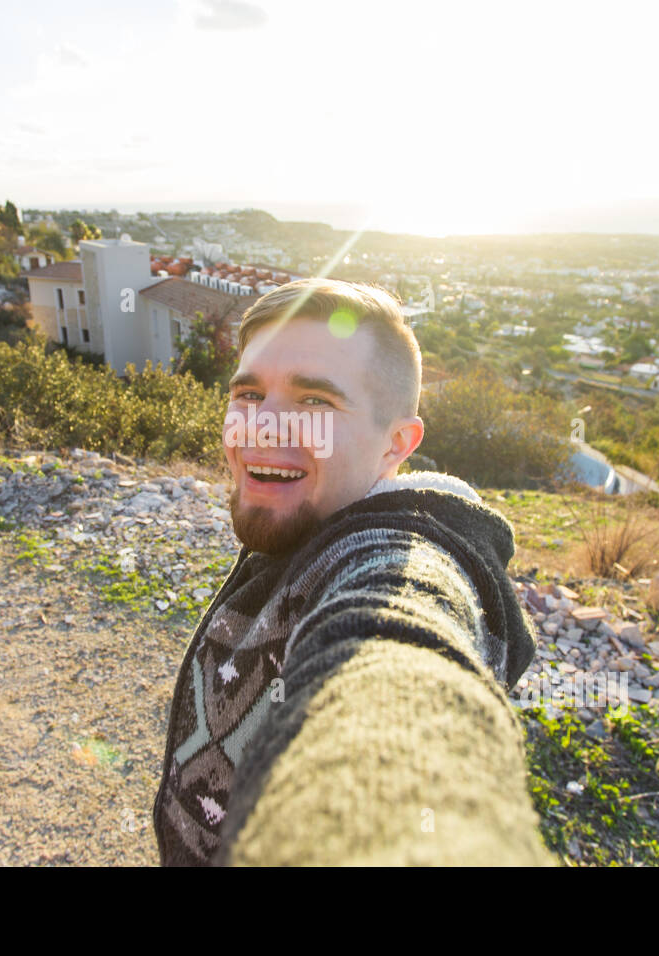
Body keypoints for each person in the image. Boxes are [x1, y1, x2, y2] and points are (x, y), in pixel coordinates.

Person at [152, 277, 558, 866]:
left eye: (315, 402)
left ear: (396, 444)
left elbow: (396, 643)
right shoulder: (305, 517)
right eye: (248, 395)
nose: (262, 426)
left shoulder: (395, 557)